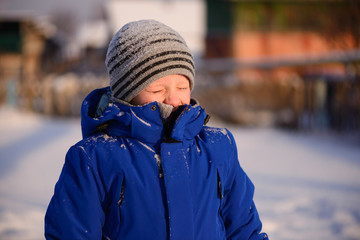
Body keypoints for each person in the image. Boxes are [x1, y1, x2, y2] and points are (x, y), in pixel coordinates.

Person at [45, 19, 268, 240]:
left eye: (182, 87)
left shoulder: (218, 148)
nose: (173, 99)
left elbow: (245, 231)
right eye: (157, 89)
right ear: (127, 94)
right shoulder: (94, 157)